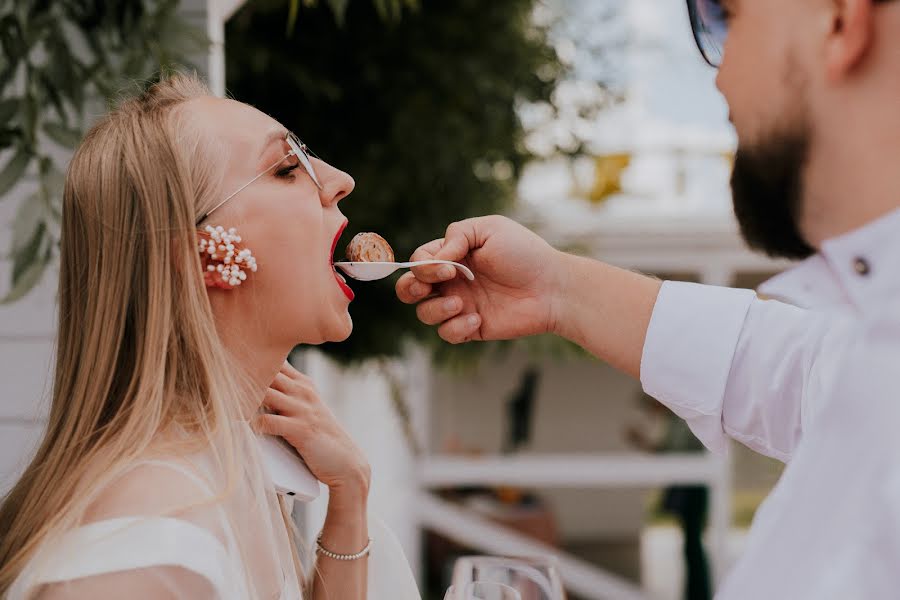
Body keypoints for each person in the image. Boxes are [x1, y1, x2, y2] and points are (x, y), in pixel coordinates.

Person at [397, 0, 900, 597]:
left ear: (840, 19)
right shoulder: (871, 341)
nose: (717, 72)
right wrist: (556, 287)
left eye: (723, 18)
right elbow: (782, 365)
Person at [0, 73, 419, 599]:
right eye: (289, 168)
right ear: (202, 255)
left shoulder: (229, 472)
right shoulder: (150, 540)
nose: (340, 180)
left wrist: (350, 494)